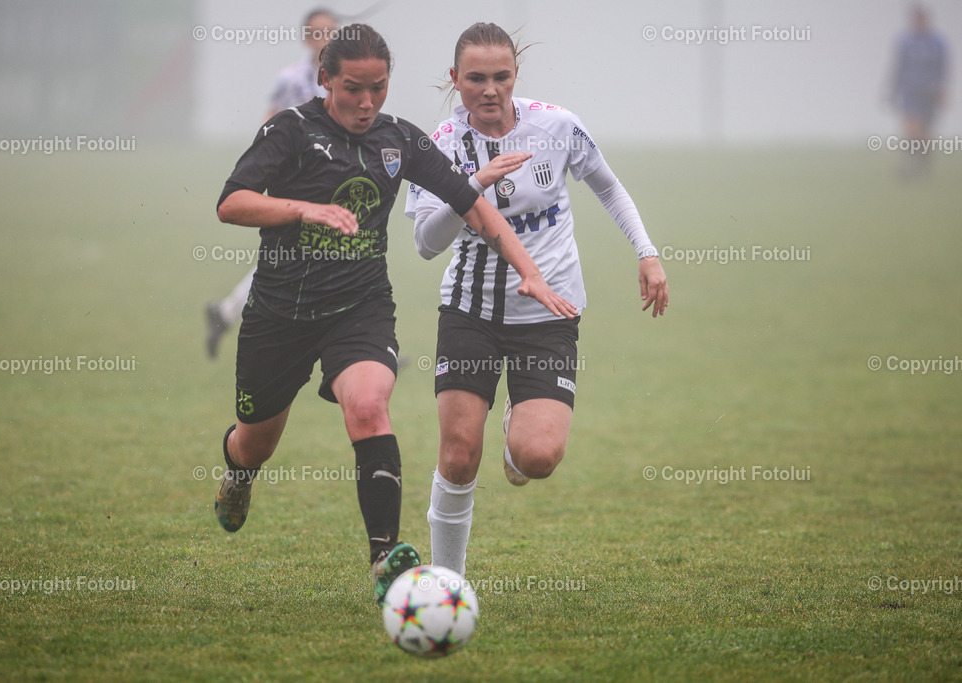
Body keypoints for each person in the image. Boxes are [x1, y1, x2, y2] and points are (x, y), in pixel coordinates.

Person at [211, 23, 577, 604]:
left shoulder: (397, 139)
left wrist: (528, 269)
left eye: (378, 88)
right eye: (353, 88)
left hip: (359, 309)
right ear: (325, 79)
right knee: (256, 442)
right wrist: (305, 210)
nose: (366, 102)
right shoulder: (289, 131)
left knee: (368, 402)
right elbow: (231, 203)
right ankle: (237, 470)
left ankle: (385, 558)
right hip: (279, 315)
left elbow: (472, 204)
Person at [404, 22, 669, 576]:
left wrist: (646, 251)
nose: (490, 89)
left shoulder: (557, 125)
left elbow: (608, 186)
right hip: (469, 312)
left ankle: (515, 432)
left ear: (516, 75)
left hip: (550, 314)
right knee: (456, 455)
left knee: (538, 457)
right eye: (475, 78)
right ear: (455, 80)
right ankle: (448, 584)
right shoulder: (441, 146)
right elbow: (427, 244)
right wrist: (470, 185)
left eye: (501, 76)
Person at [205, 8, 340, 358]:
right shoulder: (290, 79)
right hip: (298, 185)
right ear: (306, 37)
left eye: (332, 31)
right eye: (318, 32)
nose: (325, 38)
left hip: (333, 180)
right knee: (294, 256)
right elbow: (268, 124)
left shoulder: (344, 75)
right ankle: (357, 345)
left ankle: (363, 344)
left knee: (331, 255)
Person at [887, 5, 950, 179]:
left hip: (929, 94)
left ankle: (924, 164)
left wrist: (942, 91)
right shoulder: (905, 42)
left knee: (925, 133)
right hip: (910, 92)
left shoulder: (937, 43)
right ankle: (908, 165)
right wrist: (892, 91)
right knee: (911, 129)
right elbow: (898, 68)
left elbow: (943, 69)